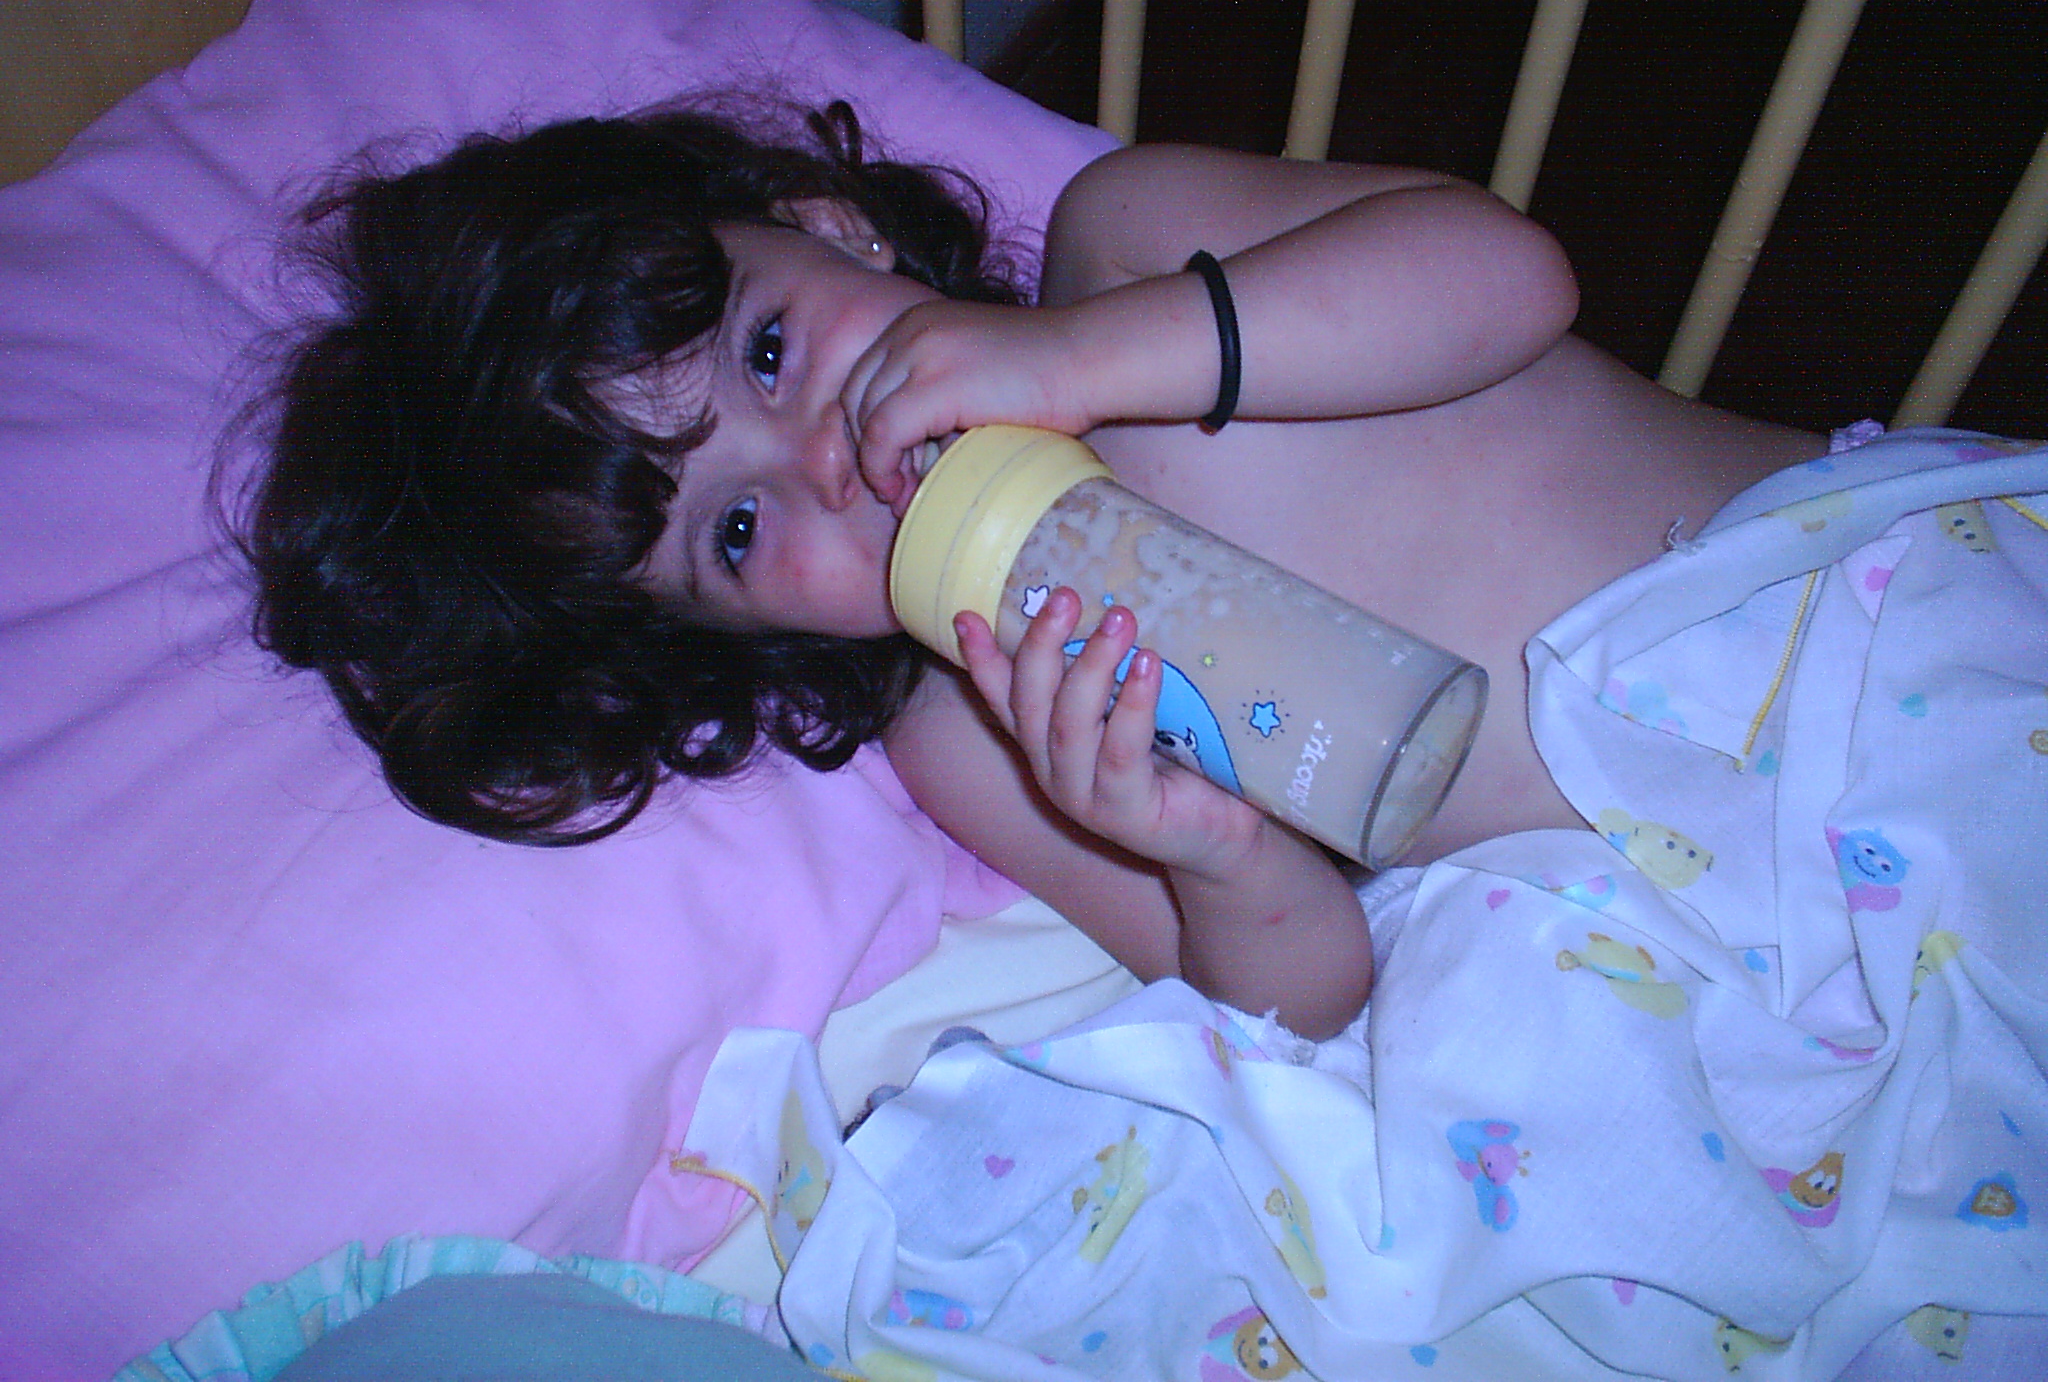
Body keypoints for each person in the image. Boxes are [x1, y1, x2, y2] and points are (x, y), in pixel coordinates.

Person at [242, 102, 1820, 1040]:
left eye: (771, 351)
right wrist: (1220, 863)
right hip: (1744, 927)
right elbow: (1315, 1017)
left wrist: (1085, 362)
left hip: (1832, 614)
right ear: (726, 632)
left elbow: (1511, 279)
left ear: (834, 226)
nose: (821, 462)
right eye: (735, 532)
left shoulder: (1130, 250)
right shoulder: (976, 721)